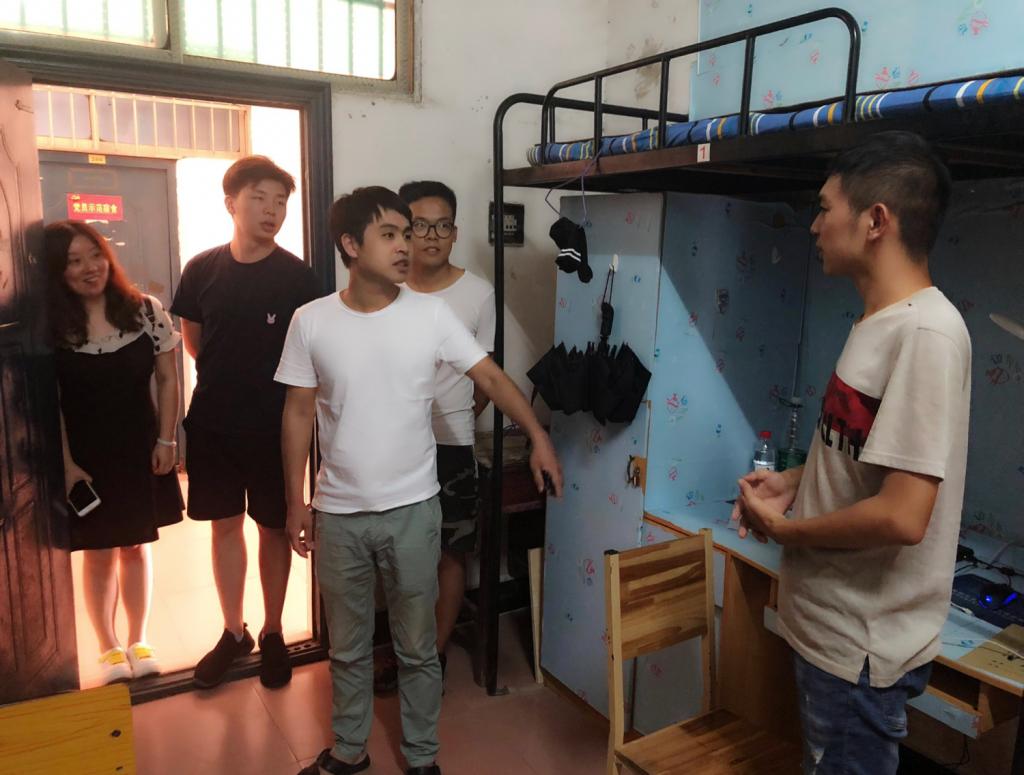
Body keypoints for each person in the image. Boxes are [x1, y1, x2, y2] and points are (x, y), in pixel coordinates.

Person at [279, 187, 562, 775]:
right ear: (350, 245)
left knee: (416, 648)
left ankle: (423, 757)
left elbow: (490, 378)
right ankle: (349, 751)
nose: (405, 245)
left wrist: (538, 436)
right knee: (348, 647)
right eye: (390, 234)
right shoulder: (312, 321)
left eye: (407, 233)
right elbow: (299, 412)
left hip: (413, 509)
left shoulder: (430, 315)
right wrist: (296, 502)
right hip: (338, 513)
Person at [732, 131, 969, 774]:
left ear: (876, 220)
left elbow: (903, 515)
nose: (814, 225)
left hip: (860, 648)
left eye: (824, 207)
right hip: (828, 629)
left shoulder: (927, 333)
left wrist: (789, 531)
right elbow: (861, 452)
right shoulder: (876, 321)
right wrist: (794, 482)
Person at [170, 155, 320, 689]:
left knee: (273, 528)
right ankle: (234, 632)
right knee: (224, 525)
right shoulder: (201, 269)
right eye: (260, 198)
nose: (272, 210)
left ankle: (274, 630)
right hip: (213, 423)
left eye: (280, 201)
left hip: (275, 428)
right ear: (231, 203)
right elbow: (195, 342)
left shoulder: (299, 278)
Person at [45, 220, 184, 683]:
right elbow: (51, 404)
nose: (90, 267)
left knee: (136, 545)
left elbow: (168, 378)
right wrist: (66, 464)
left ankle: (139, 639)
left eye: (95, 255)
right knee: (100, 551)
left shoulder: (145, 311)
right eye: (74, 261)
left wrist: (166, 439)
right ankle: (108, 647)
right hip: (86, 457)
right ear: (58, 271)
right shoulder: (52, 328)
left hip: (139, 446)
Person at [371, 181, 495, 694]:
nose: (431, 236)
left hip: (452, 446)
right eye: (419, 225)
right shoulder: (385, 290)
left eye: (442, 226)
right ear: (404, 230)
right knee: (397, 557)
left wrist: (459, 415)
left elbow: (486, 377)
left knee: (451, 553)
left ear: (455, 232)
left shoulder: (478, 294)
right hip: (394, 447)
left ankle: (433, 655)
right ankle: (404, 652)